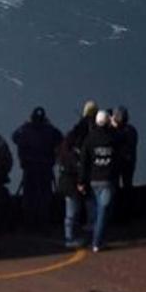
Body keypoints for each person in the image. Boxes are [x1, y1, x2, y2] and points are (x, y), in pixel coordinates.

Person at [12, 107, 63, 229]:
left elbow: (14, 137)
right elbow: (60, 138)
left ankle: (30, 223)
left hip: (30, 169)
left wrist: (25, 124)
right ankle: (44, 223)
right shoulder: (50, 130)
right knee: (45, 196)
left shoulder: (25, 130)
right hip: (45, 169)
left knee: (29, 196)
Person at [80, 110, 118, 252]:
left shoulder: (90, 139)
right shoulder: (112, 137)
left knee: (96, 212)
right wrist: (115, 126)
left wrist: (81, 181)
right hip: (107, 179)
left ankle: (95, 239)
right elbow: (121, 145)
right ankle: (97, 242)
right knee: (103, 211)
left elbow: (84, 161)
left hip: (94, 179)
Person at [57, 122, 87, 249]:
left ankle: (71, 236)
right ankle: (69, 238)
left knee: (72, 212)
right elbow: (77, 168)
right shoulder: (72, 154)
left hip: (66, 184)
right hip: (70, 185)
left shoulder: (62, 152)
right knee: (71, 213)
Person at [111, 106, 138, 219]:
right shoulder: (132, 130)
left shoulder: (119, 132)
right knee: (127, 186)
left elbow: (115, 141)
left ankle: (120, 213)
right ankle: (127, 212)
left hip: (121, 163)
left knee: (118, 187)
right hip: (129, 162)